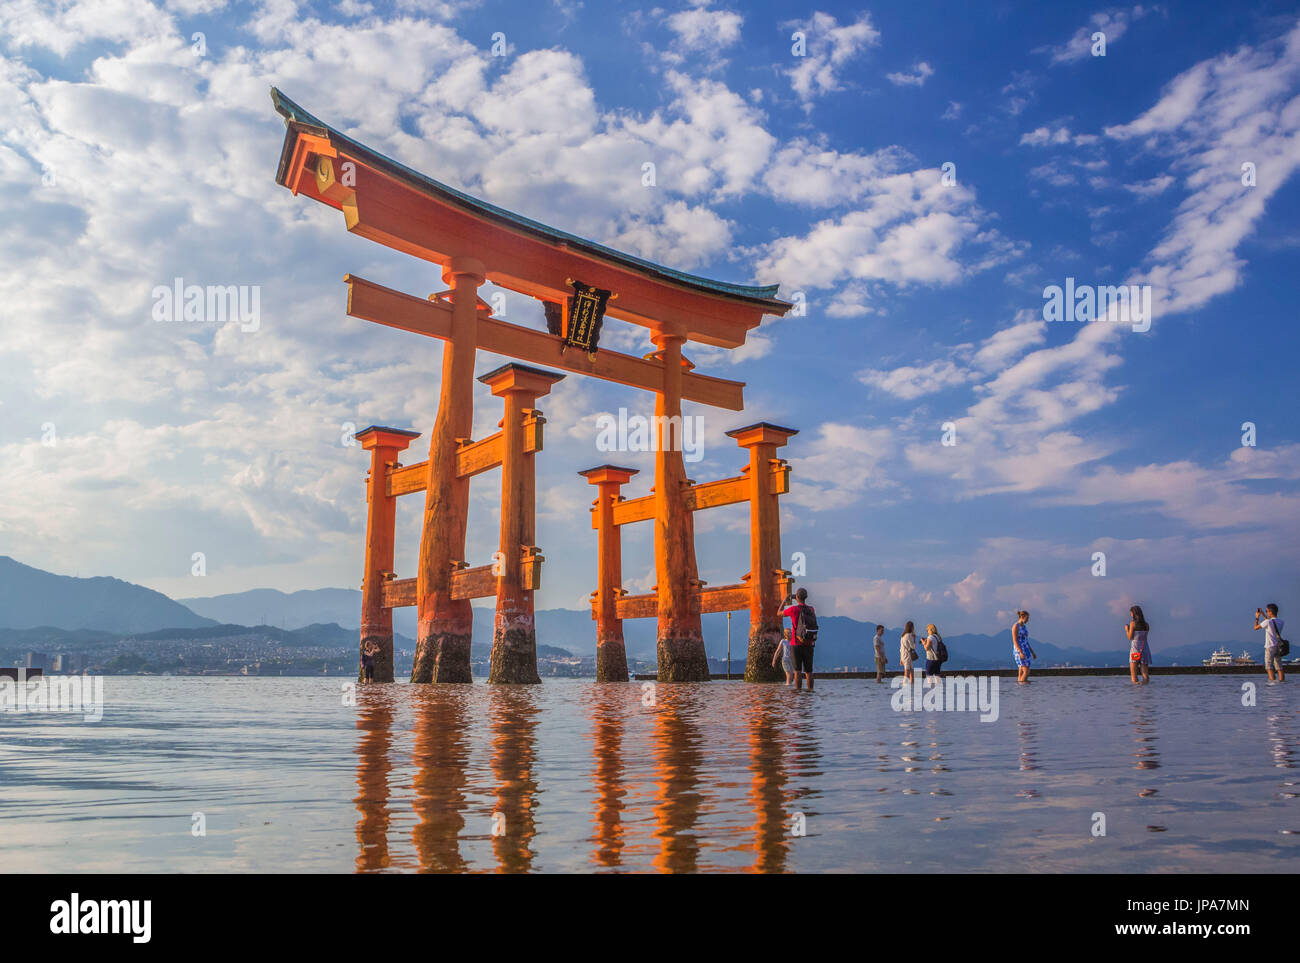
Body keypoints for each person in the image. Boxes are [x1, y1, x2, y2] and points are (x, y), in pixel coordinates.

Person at [781, 588, 818, 691]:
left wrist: (785, 600)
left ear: (796, 597)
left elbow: (778, 613)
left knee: (797, 671)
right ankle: (810, 692)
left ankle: (798, 693)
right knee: (809, 671)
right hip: (809, 643)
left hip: (796, 643)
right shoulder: (811, 609)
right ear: (806, 597)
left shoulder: (793, 609)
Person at [1254, 604, 1287, 682]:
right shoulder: (1281, 622)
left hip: (1270, 646)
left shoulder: (1268, 622)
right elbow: (1270, 622)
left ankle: (1272, 682)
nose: (1267, 612)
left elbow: (1255, 627)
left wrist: (1257, 617)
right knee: (1279, 667)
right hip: (1278, 647)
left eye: (1267, 611)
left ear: (1270, 612)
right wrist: (1263, 615)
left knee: (1269, 667)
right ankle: (1282, 683)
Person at [1125, 605, 1151, 685]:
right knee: (1145, 674)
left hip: (1135, 650)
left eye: (1131, 613)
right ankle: (1146, 689)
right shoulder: (1146, 625)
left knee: (1134, 675)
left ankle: (1136, 692)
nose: (1130, 614)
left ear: (1133, 613)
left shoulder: (1132, 624)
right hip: (1144, 649)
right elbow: (1144, 638)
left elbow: (1130, 637)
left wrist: (1126, 629)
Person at [1012, 610, 1034, 685]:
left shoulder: (1024, 627)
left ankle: (1020, 686)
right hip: (1019, 649)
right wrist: (1020, 651)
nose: (1028, 620)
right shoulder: (1015, 626)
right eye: (1027, 618)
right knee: (1026, 670)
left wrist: (1032, 652)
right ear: (1022, 617)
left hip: (1026, 648)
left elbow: (1026, 641)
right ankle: (1024, 684)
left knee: (1021, 670)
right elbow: (1015, 640)